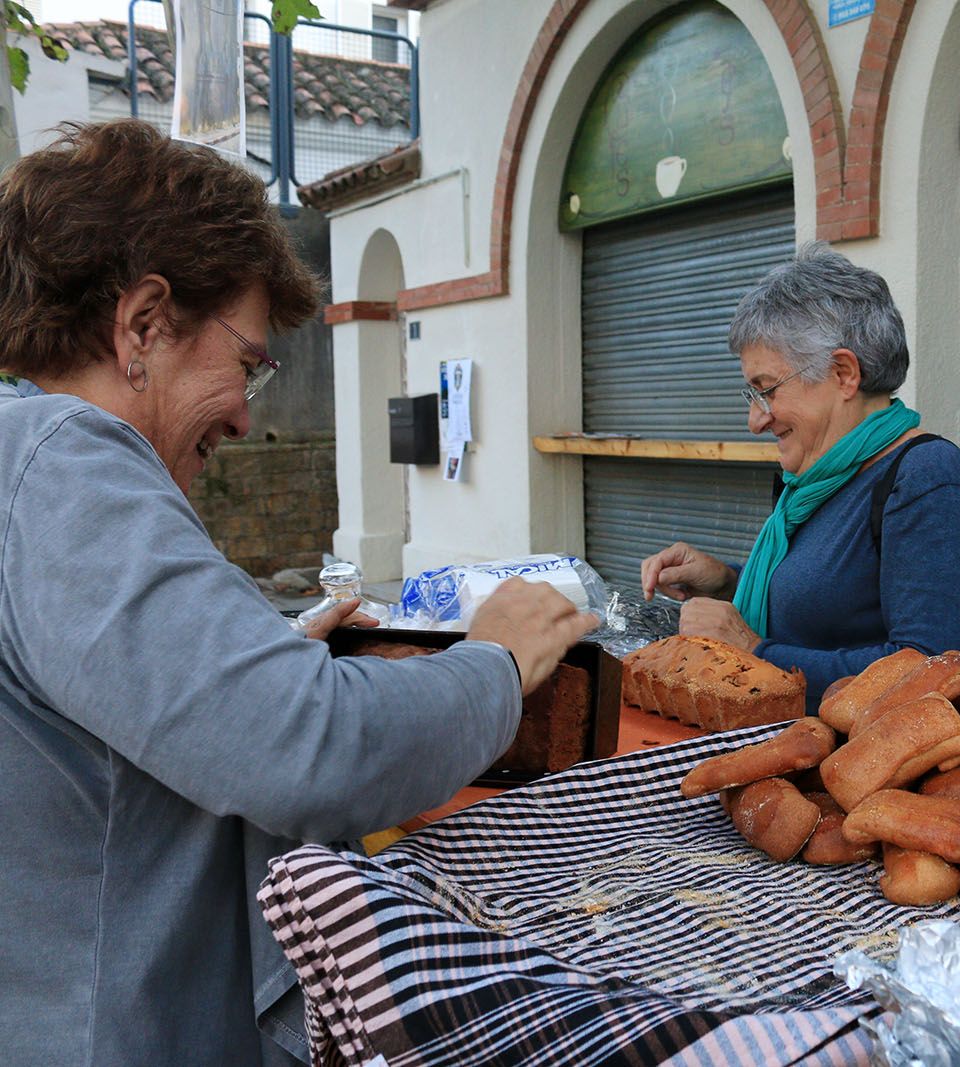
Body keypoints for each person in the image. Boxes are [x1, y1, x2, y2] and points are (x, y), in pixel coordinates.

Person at [0, 122, 596, 1065]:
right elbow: (309, 747)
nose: (244, 411)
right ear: (144, 324)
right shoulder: (64, 464)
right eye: (247, 363)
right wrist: (497, 661)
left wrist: (270, 651)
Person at [640, 243, 960, 713]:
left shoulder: (926, 480)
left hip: (862, 774)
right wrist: (728, 582)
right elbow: (832, 606)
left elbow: (936, 673)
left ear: (843, 373)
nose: (756, 421)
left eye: (766, 390)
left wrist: (755, 652)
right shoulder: (822, 479)